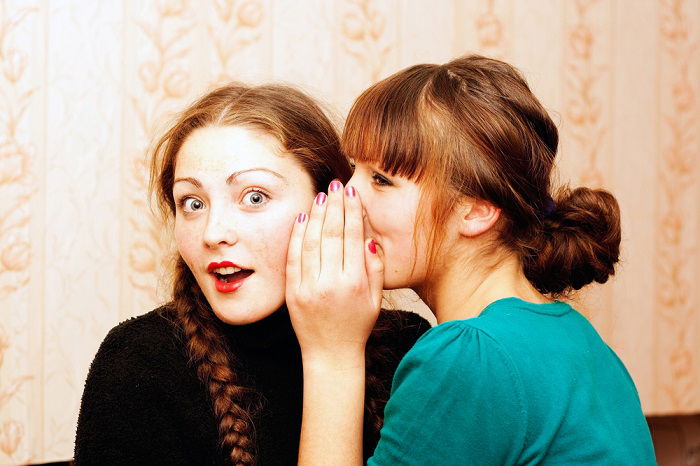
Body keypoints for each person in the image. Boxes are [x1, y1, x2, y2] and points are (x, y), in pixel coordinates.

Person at [286, 55, 656, 465]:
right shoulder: (577, 338)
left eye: (381, 180)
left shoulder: (469, 359)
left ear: (477, 211)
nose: (345, 194)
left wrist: (332, 353)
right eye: (354, 168)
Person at [74, 84, 430, 465]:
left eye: (254, 197)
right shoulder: (138, 364)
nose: (213, 233)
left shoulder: (411, 349)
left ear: (332, 204)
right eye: (192, 204)